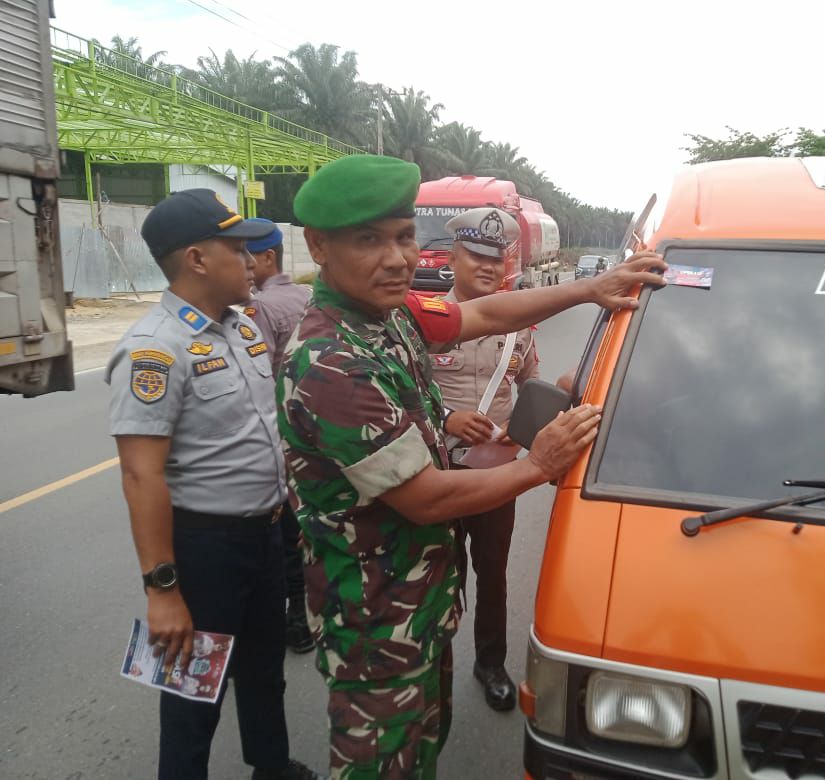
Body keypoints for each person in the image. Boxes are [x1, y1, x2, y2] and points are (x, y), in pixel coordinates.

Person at [278, 154, 666, 779]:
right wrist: (539, 464)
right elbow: (425, 498)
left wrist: (592, 287)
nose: (396, 257)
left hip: (419, 600)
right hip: (377, 621)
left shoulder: (391, 314)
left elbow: (482, 315)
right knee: (382, 765)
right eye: (369, 240)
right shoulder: (333, 364)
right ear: (318, 246)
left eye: (404, 237)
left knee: (424, 745)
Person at [106, 189, 323, 780]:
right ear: (198, 259)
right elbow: (141, 474)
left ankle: (271, 768)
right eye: (237, 249)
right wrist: (162, 590)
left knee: (262, 670)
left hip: (266, 533)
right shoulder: (154, 351)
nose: (252, 260)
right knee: (191, 693)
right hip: (205, 550)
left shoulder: (243, 329)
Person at [431, 207, 537, 711]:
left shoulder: (520, 324)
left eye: (496, 259)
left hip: (496, 473)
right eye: (475, 255)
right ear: (453, 257)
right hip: (436, 471)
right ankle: (432, 662)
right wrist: (448, 415)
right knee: (436, 572)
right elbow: (398, 391)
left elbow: (528, 386)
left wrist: (525, 433)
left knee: (492, 571)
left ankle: (490, 662)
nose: (487, 267)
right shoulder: (422, 320)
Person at [242, 217, 315, 654]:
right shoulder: (306, 295)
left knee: (285, 537)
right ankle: (305, 620)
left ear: (268, 257)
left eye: (246, 258)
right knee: (302, 532)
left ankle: (294, 623)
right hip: (314, 431)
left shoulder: (259, 309)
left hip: (279, 438)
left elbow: (260, 379)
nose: (243, 267)